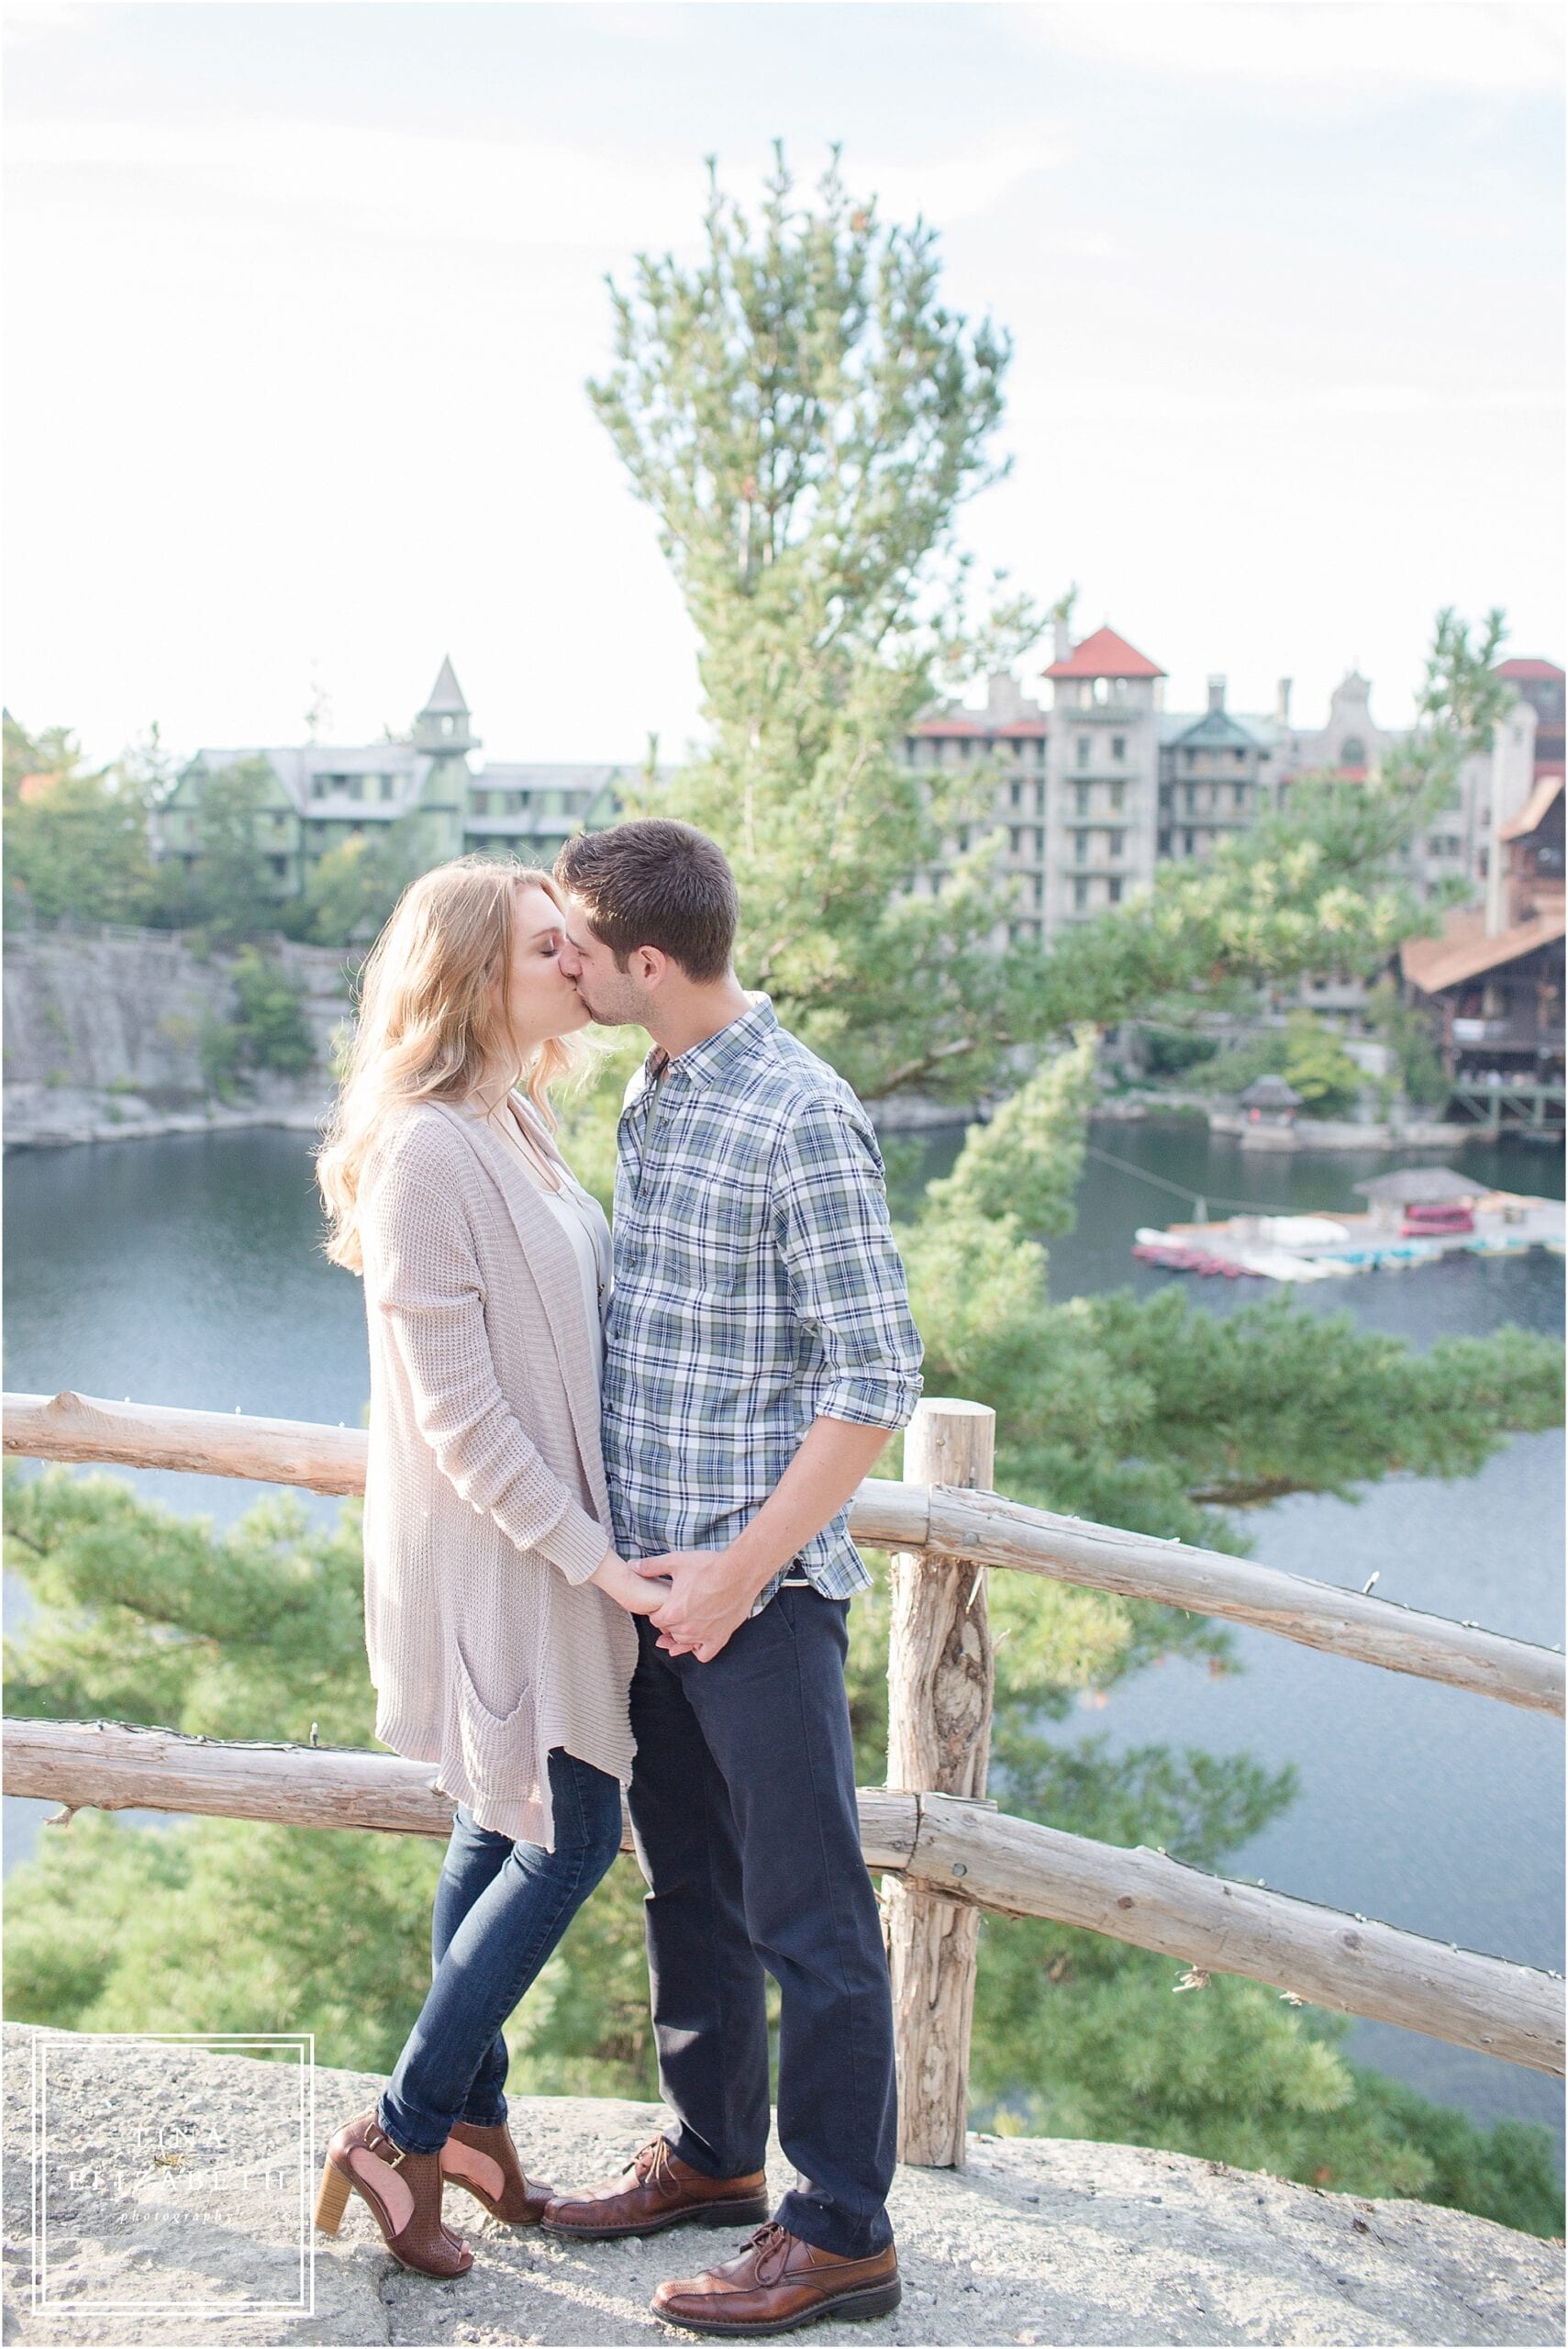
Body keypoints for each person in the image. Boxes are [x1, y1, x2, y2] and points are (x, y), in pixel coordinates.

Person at [542, 818, 923, 2338]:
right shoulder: (654, 1080)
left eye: (574, 941)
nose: (560, 958)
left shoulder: (797, 1116)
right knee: (683, 1889)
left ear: (649, 962)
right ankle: (712, 2161)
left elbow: (873, 1379)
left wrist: (736, 1576)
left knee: (809, 1916)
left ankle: (839, 2228)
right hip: (654, 1590)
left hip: (757, 1602)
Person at [311, 856, 662, 2279]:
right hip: (507, 1558)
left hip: (546, 1548)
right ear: (468, 974)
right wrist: (598, 1559)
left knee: (495, 1821)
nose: (574, 967)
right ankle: (400, 2130)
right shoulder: (425, 1150)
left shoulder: (506, 1114)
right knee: (571, 1831)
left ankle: (478, 2127)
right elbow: (460, 1417)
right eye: (544, 950)